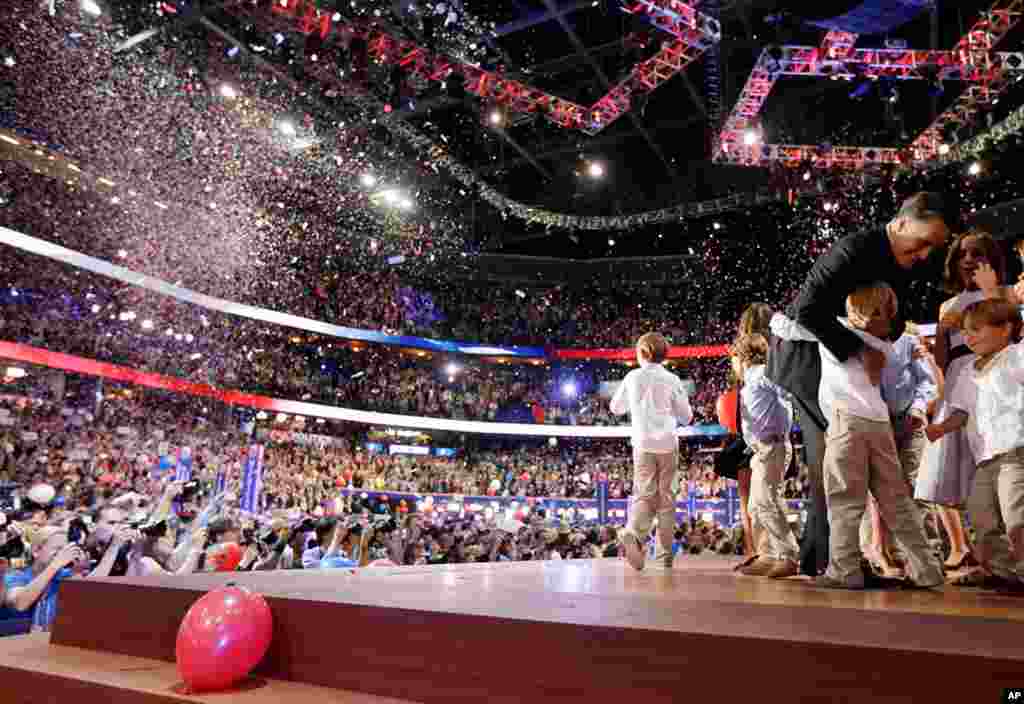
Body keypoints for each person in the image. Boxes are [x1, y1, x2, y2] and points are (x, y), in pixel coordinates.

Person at [766, 192, 955, 577]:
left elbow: (894, 321)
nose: (924, 254)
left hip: (848, 372)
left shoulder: (903, 264)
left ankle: (836, 560)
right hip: (808, 360)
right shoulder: (853, 249)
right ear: (902, 223)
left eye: (932, 248)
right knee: (834, 465)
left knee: (846, 469)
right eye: (921, 242)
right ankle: (830, 561)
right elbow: (808, 309)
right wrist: (861, 348)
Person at [810, 283, 943, 589]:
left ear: (855, 307)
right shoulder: (884, 342)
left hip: (847, 423)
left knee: (845, 500)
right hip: (879, 421)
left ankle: (844, 570)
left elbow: (791, 323)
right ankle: (926, 569)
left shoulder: (838, 331)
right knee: (897, 502)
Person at [917, 231, 1023, 571]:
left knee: (1010, 498)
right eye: (963, 253)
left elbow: (1016, 336)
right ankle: (989, 561)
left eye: (977, 253)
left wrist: (995, 293)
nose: (968, 259)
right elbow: (943, 360)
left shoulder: (1007, 296)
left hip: (1003, 396)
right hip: (963, 379)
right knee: (970, 484)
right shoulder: (949, 305)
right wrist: (944, 333)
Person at [925, 299, 1024, 588]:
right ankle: (1001, 569)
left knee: (1016, 513)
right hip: (984, 457)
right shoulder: (968, 370)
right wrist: (941, 428)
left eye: (976, 330)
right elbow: (962, 411)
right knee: (981, 515)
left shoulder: (1016, 356)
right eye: (965, 332)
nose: (968, 337)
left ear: (1005, 329)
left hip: (1015, 452)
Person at [861, 324, 938, 577]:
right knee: (879, 491)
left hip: (909, 421)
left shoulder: (907, 343)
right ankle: (886, 553)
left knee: (915, 486)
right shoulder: (859, 342)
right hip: (877, 422)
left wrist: (917, 408)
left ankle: (929, 554)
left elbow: (927, 383)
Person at [611, 332, 693, 570]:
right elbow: (687, 418)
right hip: (667, 444)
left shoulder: (632, 377)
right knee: (666, 499)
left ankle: (634, 534)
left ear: (643, 353)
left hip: (642, 444)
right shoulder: (672, 379)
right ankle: (664, 556)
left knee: (645, 494)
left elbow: (615, 408)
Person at [733, 334, 800, 578]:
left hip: (773, 446)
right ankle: (768, 554)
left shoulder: (762, 373)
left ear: (742, 357)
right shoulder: (752, 378)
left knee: (766, 502)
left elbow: (786, 392)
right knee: (755, 505)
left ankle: (788, 555)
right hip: (760, 449)